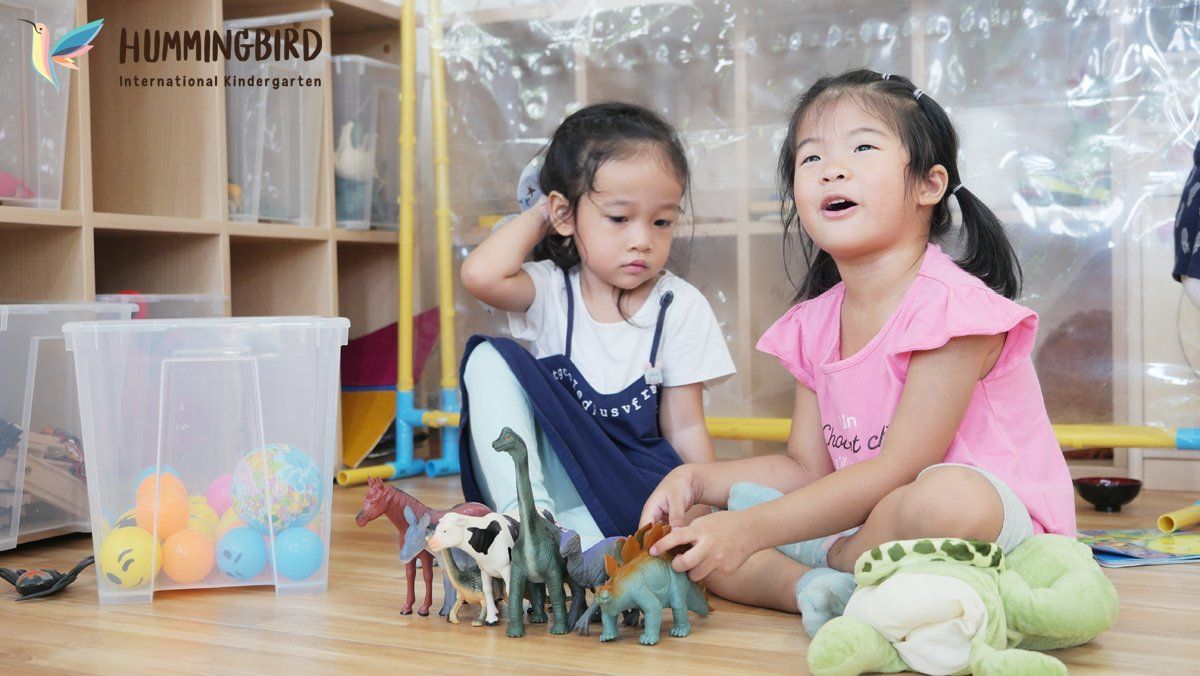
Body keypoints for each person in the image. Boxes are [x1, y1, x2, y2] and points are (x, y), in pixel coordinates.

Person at [641, 69, 1074, 636]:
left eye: (863, 147)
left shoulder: (955, 311)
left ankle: (841, 562)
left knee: (948, 496)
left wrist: (754, 530)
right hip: (872, 524)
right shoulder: (814, 323)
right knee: (697, 531)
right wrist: (701, 479)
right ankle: (817, 591)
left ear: (928, 184)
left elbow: (902, 469)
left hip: (992, 526)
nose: (833, 169)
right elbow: (806, 469)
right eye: (811, 158)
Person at [458, 102, 735, 550]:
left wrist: (704, 512)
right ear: (566, 215)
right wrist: (546, 213)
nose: (642, 239)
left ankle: (572, 542)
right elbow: (480, 275)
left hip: (632, 490)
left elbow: (685, 429)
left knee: (603, 538)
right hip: (556, 483)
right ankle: (527, 520)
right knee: (489, 355)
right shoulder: (551, 290)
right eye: (619, 218)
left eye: (662, 221)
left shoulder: (678, 306)